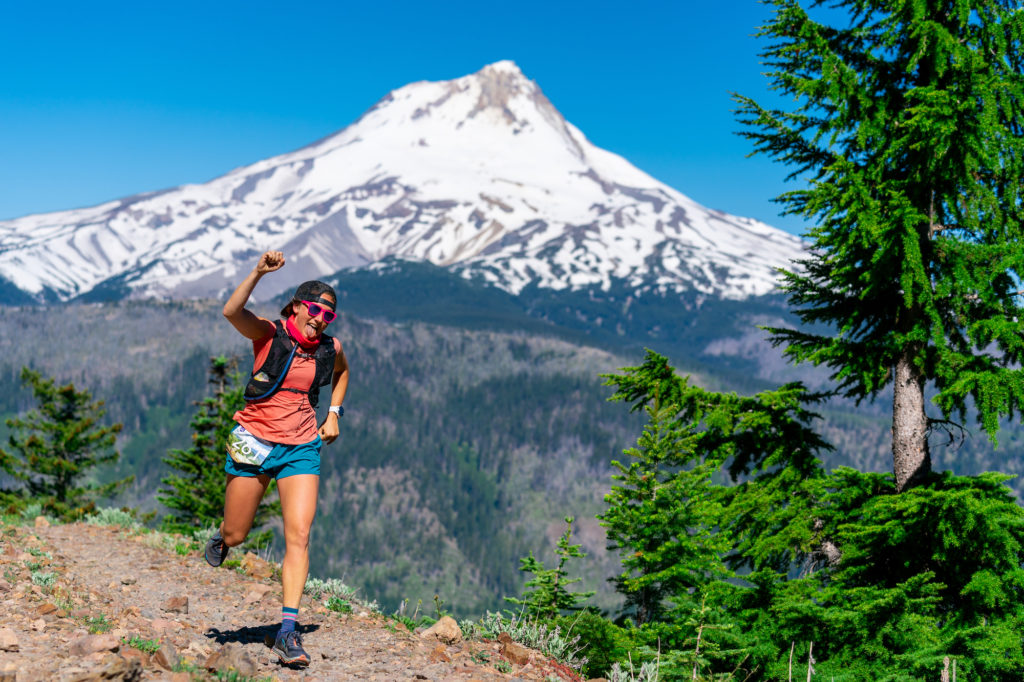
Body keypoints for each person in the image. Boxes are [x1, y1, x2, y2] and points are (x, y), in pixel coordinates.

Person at [204, 249, 349, 668]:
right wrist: (258, 272)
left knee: (299, 536)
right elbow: (232, 311)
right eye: (315, 309)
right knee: (236, 533)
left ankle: (287, 631)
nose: (321, 318)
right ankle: (224, 537)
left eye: (329, 314)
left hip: (301, 446)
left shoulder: (330, 348)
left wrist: (333, 414)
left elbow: (342, 373)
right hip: (254, 441)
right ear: (297, 307)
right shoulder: (268, 334)